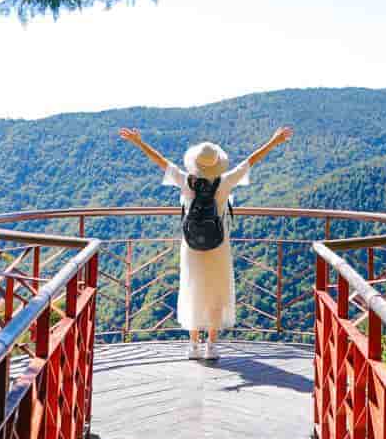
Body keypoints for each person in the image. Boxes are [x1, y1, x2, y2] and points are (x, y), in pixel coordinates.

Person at [117, 124, 294, 359]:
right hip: (218, 245)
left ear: (195, 163)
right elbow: (251, 161)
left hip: (191, 246)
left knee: (193, 288)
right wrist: (274, 141)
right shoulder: (226, 181)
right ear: (218, 163)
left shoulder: (185, 180)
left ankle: (193, 345)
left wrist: (138, 142)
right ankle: (211, 345)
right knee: (216, 292)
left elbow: (160, 161)